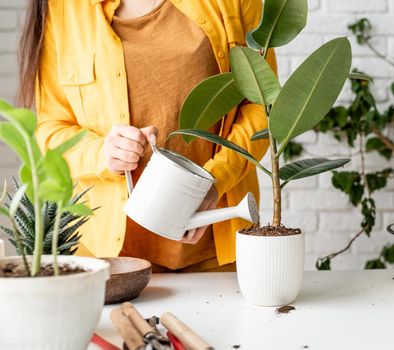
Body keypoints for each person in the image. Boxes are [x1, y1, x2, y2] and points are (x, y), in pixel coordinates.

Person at [18, 0, 275, 272]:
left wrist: (216, 178)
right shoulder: (66, 9)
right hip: (109, 258)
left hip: (213, 244)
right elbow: (51, 130)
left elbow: (262, 105)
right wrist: (103, 154)